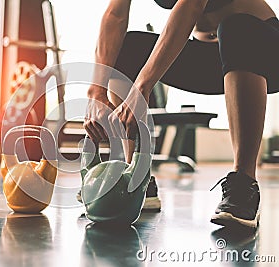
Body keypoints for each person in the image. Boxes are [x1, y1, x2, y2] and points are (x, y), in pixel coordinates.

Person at [83, 0, 279, 228]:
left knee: (236, 26)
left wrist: (142, 86)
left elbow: (191, 5)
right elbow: (114, 16)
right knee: (128, 48)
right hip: (209, 57)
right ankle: (137, 178)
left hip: (262, 50)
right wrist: (96, 91)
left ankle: (244, 185)